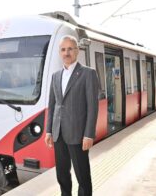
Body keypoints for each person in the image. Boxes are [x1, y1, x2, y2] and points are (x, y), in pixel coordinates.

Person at [45, 35, 99, 196]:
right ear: (59, 53)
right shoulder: (56, 76)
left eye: (70, 49)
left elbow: (92, 106)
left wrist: (89, 134)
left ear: (77, 51)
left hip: (78, 133)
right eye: (63, 49)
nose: (66, 52)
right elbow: (52, 105)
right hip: (58, 133)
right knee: (62, 173)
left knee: (82, 175)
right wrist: (49, 130)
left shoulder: (88, 73)